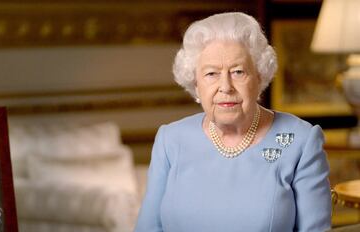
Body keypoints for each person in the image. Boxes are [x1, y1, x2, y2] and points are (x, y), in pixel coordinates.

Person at [134, 12, 331, 232]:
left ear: (259, 77)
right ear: (196, 84)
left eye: (238, 72)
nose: (225, 86)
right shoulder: (170, 140)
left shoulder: (300, 141)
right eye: (211, 74)